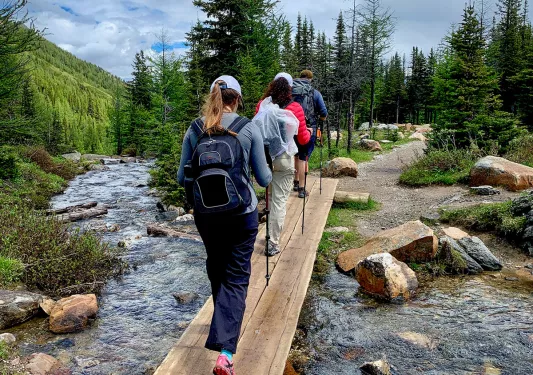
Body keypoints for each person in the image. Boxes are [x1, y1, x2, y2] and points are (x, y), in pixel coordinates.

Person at [177, 75, 272, 375]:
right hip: (242, 215)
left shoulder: (195, 128)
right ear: (238, 99)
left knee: (217, 267)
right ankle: (226, 354)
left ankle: (223, 316)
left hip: (206, 216)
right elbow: (264, 178)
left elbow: (182, 177)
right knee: (236, 277)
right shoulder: (248, 127)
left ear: (213, 97)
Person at [255, 72, 310, 256]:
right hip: (284, 158)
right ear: (289, 89)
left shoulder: (262, 106)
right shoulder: (295, 108)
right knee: (279, 201)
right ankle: (273, 242)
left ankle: (269, 234)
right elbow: (303, 139)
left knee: (270, 198)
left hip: (265, 158)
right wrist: (309, 132)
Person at [292, 69, 328, 198]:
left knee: (295, 155)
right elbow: (323, 112)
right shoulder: (314, 92)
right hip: (307, 128)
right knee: (303, 157)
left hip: (291, 127)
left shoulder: (291, 91)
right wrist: (321, 119)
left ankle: (295, 182)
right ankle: (302, 188)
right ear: (310, 79)